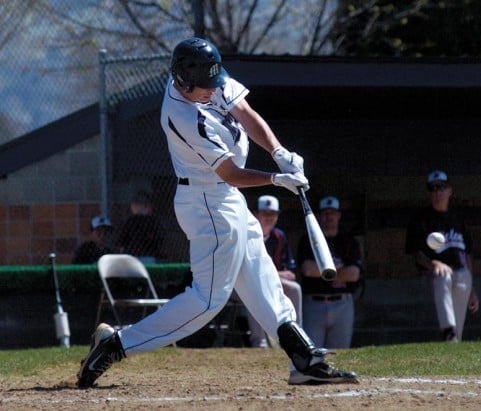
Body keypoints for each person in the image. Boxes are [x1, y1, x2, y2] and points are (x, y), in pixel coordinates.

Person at [77, 37, 357, 388]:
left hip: (228, 198)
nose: (214, 90)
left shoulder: (209, 79)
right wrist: (275, 179)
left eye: (215, 82)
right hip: (206, 202)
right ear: (183, 81)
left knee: (262, 276)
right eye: (205, 87)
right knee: (207, 301)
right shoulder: (182, 114)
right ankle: (116, 343)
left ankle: (303, 356)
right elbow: (229, 173)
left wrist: (278, 151)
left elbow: (245, 113)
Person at [404, 170, 479, 342]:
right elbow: (415, 253)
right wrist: (433, 264)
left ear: (449, 190)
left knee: (457, 333)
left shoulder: (458, 219)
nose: (437, 192)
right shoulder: (421, 219)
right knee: (443, 277)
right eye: (433, 188)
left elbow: (467, 254)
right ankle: (447, 329)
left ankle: (453, 343)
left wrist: (473, 289)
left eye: (441, 187)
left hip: (461, 274)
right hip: (434, 274)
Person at [297, 196, 363, 349]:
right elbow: (307, 270)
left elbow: (354, 274)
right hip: (314, 303)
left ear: (339, 215)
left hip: (342, 303)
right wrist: (338, 269)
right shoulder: (308, 240)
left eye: (332, 213)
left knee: (340, 354)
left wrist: (324, 271)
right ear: (319, 216)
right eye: (325, 213)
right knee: (312, 352)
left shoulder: (349, 241)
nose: (329, 217)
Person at [247, 194, 302, 348]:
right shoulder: (247, 234)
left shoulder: (279, 237)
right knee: (255, 289)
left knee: (295, 288)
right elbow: (247, 271)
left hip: (272, 281)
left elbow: (291, 274)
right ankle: (260, 342)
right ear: (256, 214)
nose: (269, 217)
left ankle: (296, 340)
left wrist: (268, 273)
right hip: (245, 283)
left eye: (273, 214)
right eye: (265, 213)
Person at [116, 190, 166, 263]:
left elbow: (121, 242)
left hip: (135, 256)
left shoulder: (131, 221)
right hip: (144, 255)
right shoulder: (153, 221)